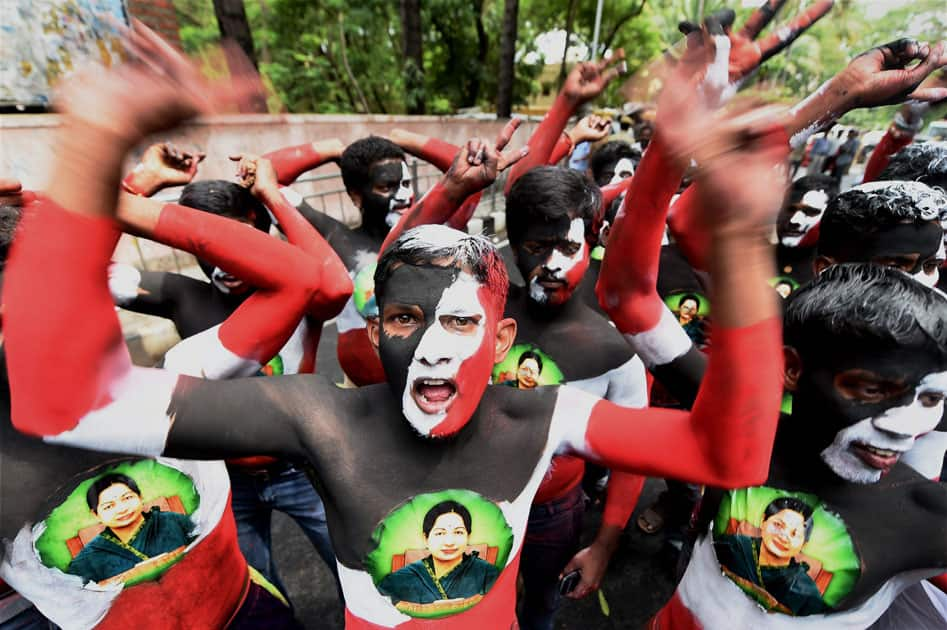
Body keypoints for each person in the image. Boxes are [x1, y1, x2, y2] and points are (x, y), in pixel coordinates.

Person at [4, 27, 789, 629]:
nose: (434, 344)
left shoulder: (545, 417)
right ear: (376, 331)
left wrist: (742, 244)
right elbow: (63, 399)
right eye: (408, 317)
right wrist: (96, 144)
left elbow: (728, 452)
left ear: (502, 339)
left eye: (460, 319)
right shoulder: (320, 417)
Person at [67, 473, 196, 584]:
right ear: (96, 514)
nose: (122, 509)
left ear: (140, 497)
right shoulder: (88, 558)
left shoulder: (174, 521)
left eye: (127, 498)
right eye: (108, 507)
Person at [713, 497, 827, 616]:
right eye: (778, 525)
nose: (783, 536)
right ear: (763, 521)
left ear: (803, 544)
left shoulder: (807, 593)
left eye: (794, 534)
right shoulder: (733, 547)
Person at [377, 501, 499, 611]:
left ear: (468, 536)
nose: (449, 542)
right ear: (426, 538)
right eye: (440, 533)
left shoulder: (487, 573)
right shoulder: (403, 578)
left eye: (458, 532)